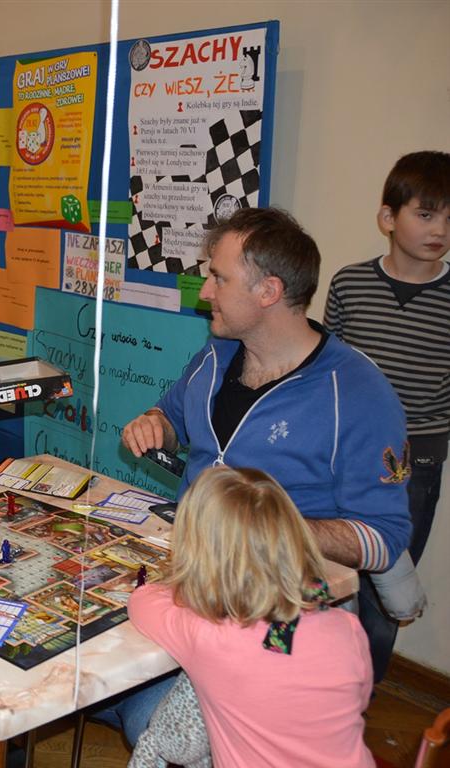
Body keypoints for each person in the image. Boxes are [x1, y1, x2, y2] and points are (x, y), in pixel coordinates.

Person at [114, 207, 411, 741]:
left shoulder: (358, 393)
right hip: (188, 579)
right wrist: (156, 423)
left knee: (147, 719)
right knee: (85, 666)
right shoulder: (217, 353)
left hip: (276, 614)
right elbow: (174, 419)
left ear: (269, 291)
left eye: (219, 278)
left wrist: (265, 531)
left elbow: (383, 539)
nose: (205, 292)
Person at [128, 466, 374, 768]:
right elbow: (358, 700)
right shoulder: (345, 626)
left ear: (198, 556)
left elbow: (141, 602)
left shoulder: (211, 636)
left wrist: (186, 585)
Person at [324, 150, 449, 678]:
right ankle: (316, 683)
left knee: (387, 589)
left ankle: (361, 692)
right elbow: (327, 370)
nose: (439, 230)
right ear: (388, 217)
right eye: (426, 214)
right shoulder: (349, 284)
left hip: (415, 459)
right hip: (342, 452)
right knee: (326, 575)